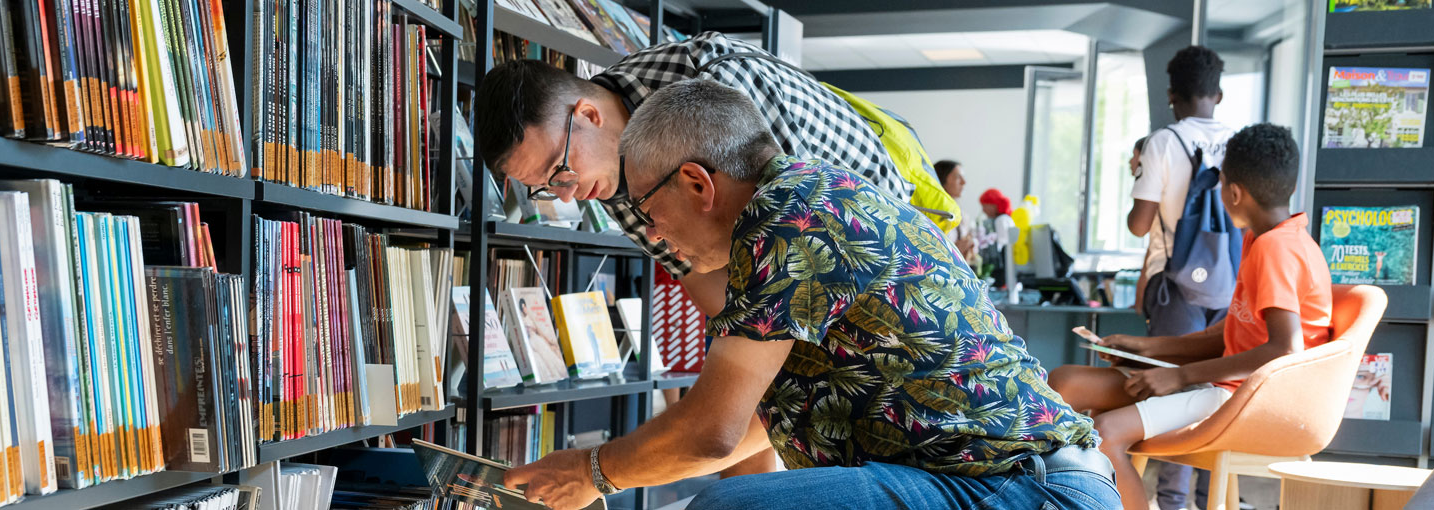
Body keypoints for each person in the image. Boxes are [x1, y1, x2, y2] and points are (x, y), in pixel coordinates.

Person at [500, 79, 1116, 510]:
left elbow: (710, 431)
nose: (652, 233)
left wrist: (591, 472)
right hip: (997, 483)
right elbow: (746, 424)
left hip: (1017, 490)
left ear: (696, 183)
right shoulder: (803, 206)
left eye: (644, 208)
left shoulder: (791, 219)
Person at [473, 32, 951, 318]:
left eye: (560, 171)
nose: (570, 195)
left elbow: (802, 233)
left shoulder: (711, 83)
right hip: (811, 262)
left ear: (589, 117)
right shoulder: (607, 173)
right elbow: (703, 276)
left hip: (880, 235)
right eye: (546, 188)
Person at [1047, 123, 1333, 510]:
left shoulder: (1277, 250)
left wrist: (1179, 374)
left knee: (1105, 432)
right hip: (1221, 387)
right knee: (1066, 382)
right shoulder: (1264, 239)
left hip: (1243, 399)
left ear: (1234, 192)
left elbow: (1284, 349)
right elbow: (1230, 336)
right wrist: (1145, 348)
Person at [1124, 45, 1238, 510]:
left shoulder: (1163, 141)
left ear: (1172, 95)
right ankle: (1219, 499)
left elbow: (1138, 224)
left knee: (1173, 394)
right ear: (1219, 93)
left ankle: (1172, 503)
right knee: (1224, 394)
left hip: (1176, 289)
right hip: (1231, 285)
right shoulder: (1242, 141)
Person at [934, 160, 977, 261]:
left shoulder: (962, 214)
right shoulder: (934, 213)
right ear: (942, 178)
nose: (964, 182)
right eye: (958, 177)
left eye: (963, 177)